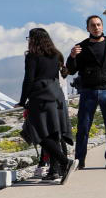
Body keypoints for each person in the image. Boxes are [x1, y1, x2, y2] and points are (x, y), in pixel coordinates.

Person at [67, 15, 106, 170]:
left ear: (102, 26)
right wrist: (72, 56)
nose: (96, 27)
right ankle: (79, 160)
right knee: (83, 128)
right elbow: (70, 70)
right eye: (93, 25)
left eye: (98, 24)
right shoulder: (80, 47)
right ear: (88, 28)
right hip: (88, 92)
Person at [19, 28, 76, 183]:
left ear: (33, 39)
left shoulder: (32, 56)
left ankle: (65, 162)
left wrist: (22, 101)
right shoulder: (55, 54)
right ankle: (57, 169)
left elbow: (29, 79)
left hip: (41, 97)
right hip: (56, 95)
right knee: (52, 134)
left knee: (37, 132)